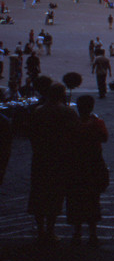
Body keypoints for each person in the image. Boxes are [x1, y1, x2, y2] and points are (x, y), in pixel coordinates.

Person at [28, 82, 79, 244]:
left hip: (40, 156)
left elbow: (31, 134)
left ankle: (41, 230)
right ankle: (50, 229)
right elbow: (75, 134)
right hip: (59, 157)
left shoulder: (38, 111)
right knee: (54, 193)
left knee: (39, 192)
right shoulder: (67, 112)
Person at [66, 95, 109, 247]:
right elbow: (104, 138)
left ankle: (77, 232)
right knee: (92, 198)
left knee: (76, 198)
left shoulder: (72, 124)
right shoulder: (96, 122)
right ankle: (92, 233)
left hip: (75, 164)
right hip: (93, 162)